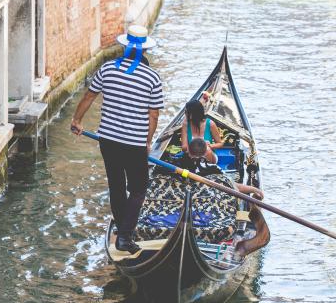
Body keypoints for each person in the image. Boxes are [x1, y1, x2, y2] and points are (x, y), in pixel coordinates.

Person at [71, 25, 164, 254]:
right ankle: (124, 236)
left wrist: (77, 120)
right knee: (139, 189)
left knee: (116, 185)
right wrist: (147, 141)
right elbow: (153, 115)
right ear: (144, 51)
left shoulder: (107, 69)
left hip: (108, 139)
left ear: (125, 46)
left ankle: (123, 229)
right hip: (134, 142)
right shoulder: (152, 78)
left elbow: (89, 96)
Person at [186, 138, 264, 200]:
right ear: (205, 152)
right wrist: (255, 190)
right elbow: (234, 187)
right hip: (206, 197)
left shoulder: (179, 163)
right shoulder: (213, 168)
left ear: (188, 150)